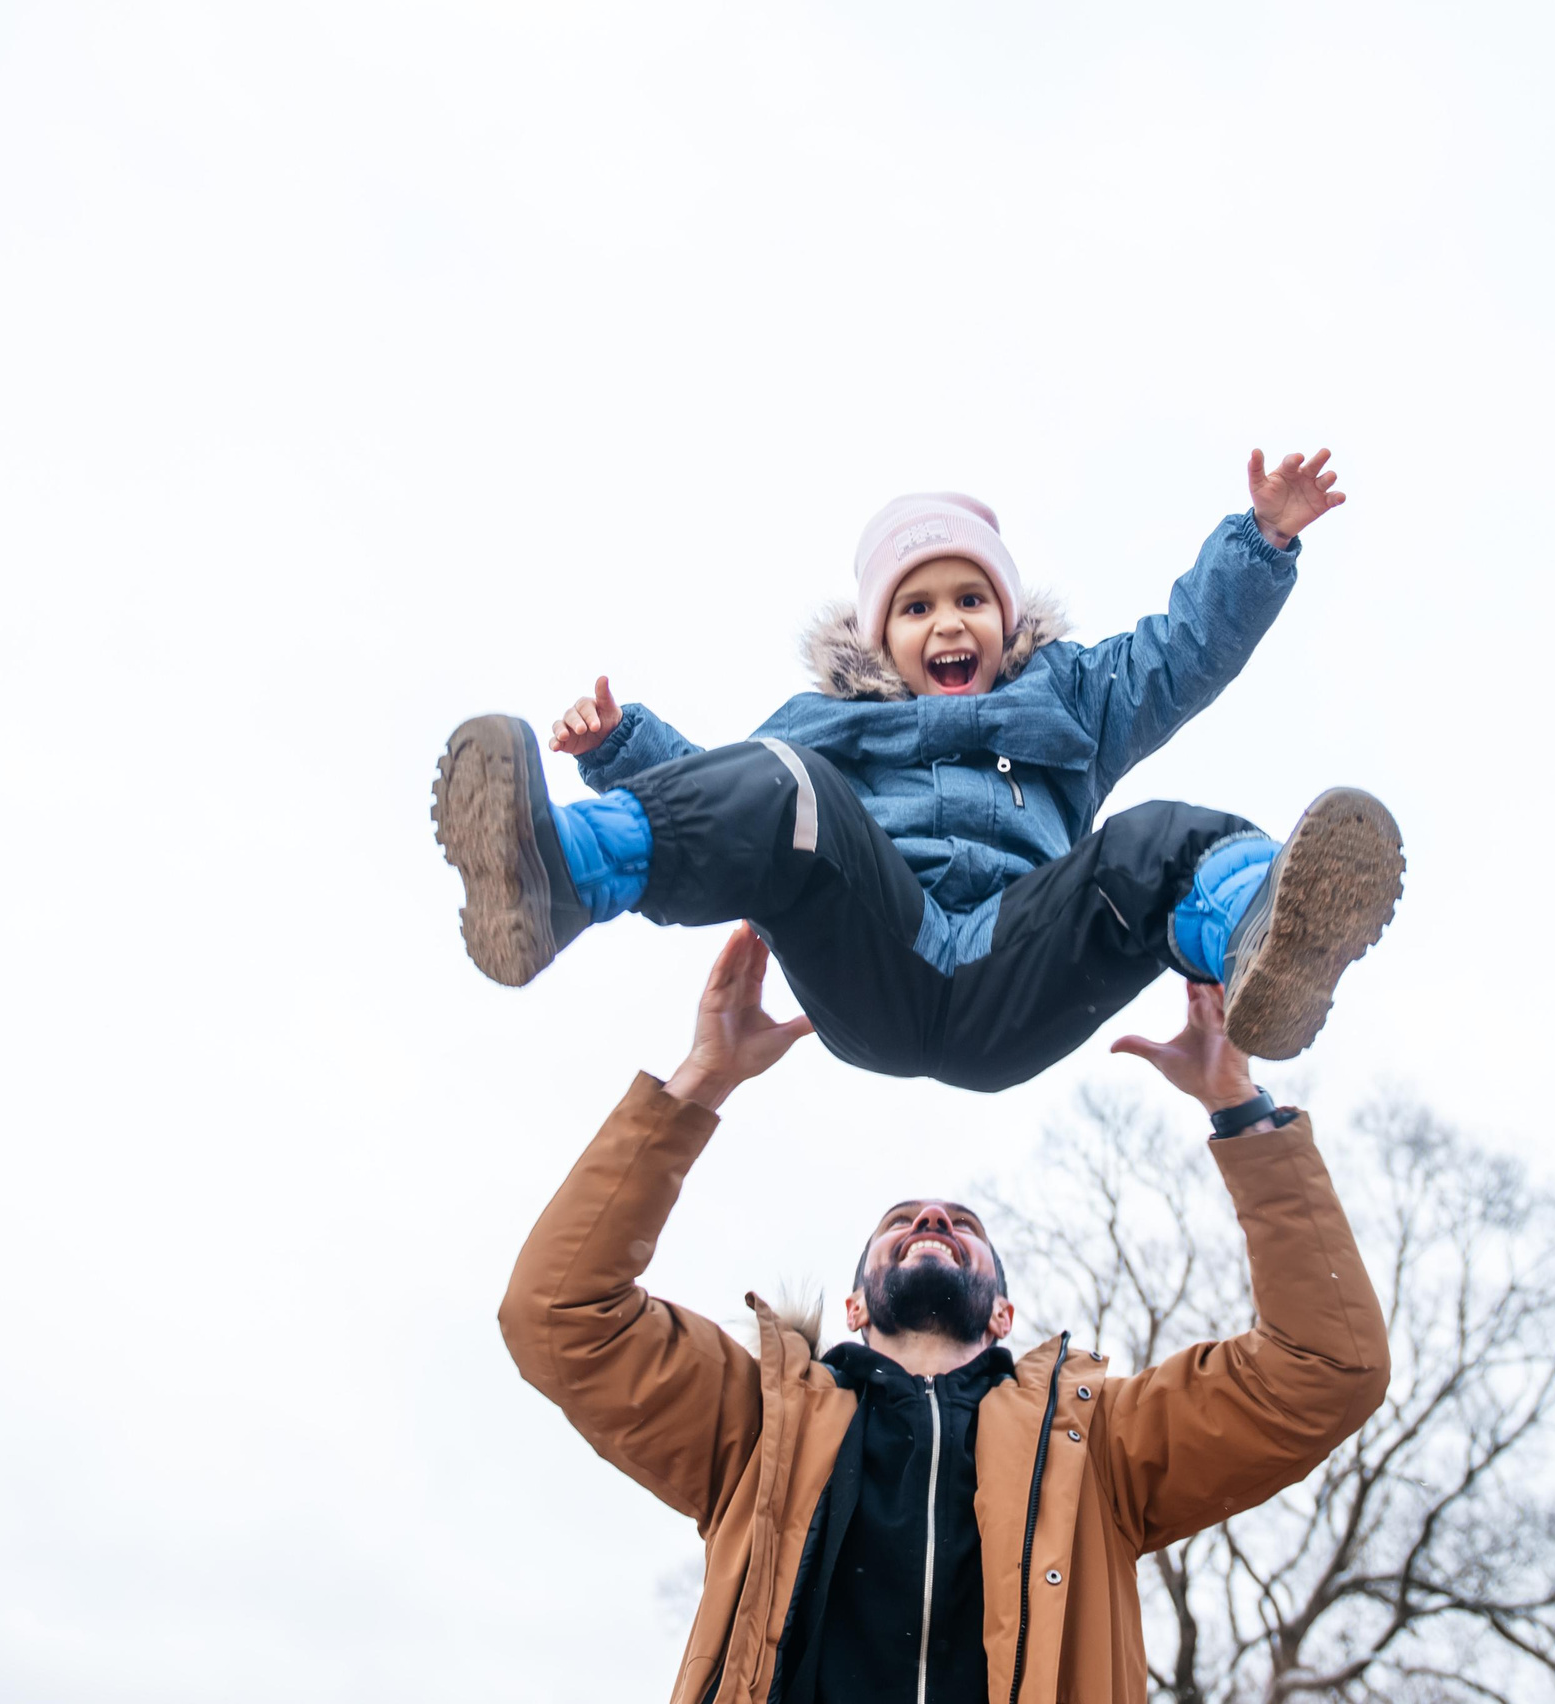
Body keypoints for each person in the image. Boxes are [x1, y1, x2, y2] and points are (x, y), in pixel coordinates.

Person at [499, 925, 1391, 1704]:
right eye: (904, 1221)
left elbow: (1326, 1368)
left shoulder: (1099, 1449)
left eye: (964, 1225)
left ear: (1002, 1313)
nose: (933, 1219)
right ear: (855, 1305)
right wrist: (701, 1080)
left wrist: (1239, 1107)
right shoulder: (757, 1425)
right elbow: (558, 1311)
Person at [433, 450, 1405, 1091]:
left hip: (1020, 963)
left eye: (972, 599)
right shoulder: (823, 726)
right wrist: (620, 750)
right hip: (875, 952)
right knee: (785, 783)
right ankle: (556, 875)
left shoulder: (1069, 699)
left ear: (1006, 619)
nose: (948, 623)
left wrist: (1259, 544)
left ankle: (1260, 937)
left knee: (1160, 838)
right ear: (880, 637)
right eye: (917, 607)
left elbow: (1179, 656)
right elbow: (725, 803)